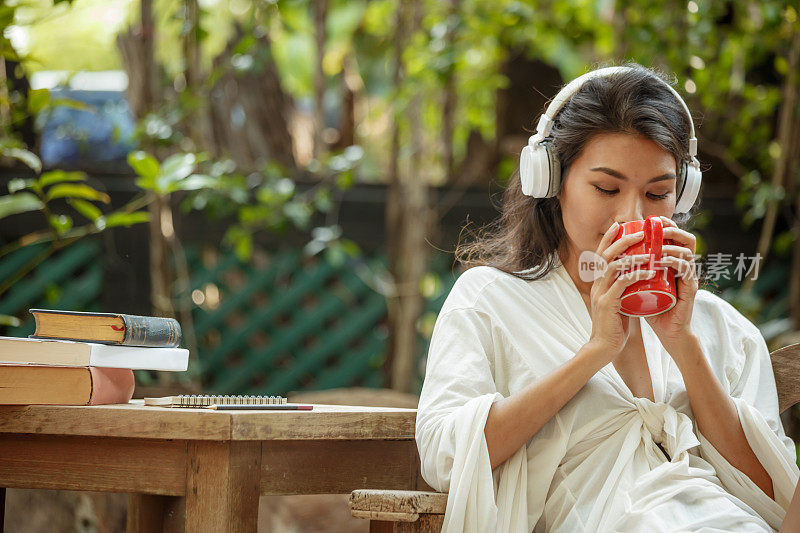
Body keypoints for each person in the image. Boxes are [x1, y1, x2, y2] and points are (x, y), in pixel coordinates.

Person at [415, 62, 800, 532]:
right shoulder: (491, 301)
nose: (630, 217)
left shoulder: (721, 327)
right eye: (606, 188)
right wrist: (595, 351)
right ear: (551, 180)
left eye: (658, 193)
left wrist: (682, 344)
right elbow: (446, 457)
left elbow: (773, 497)